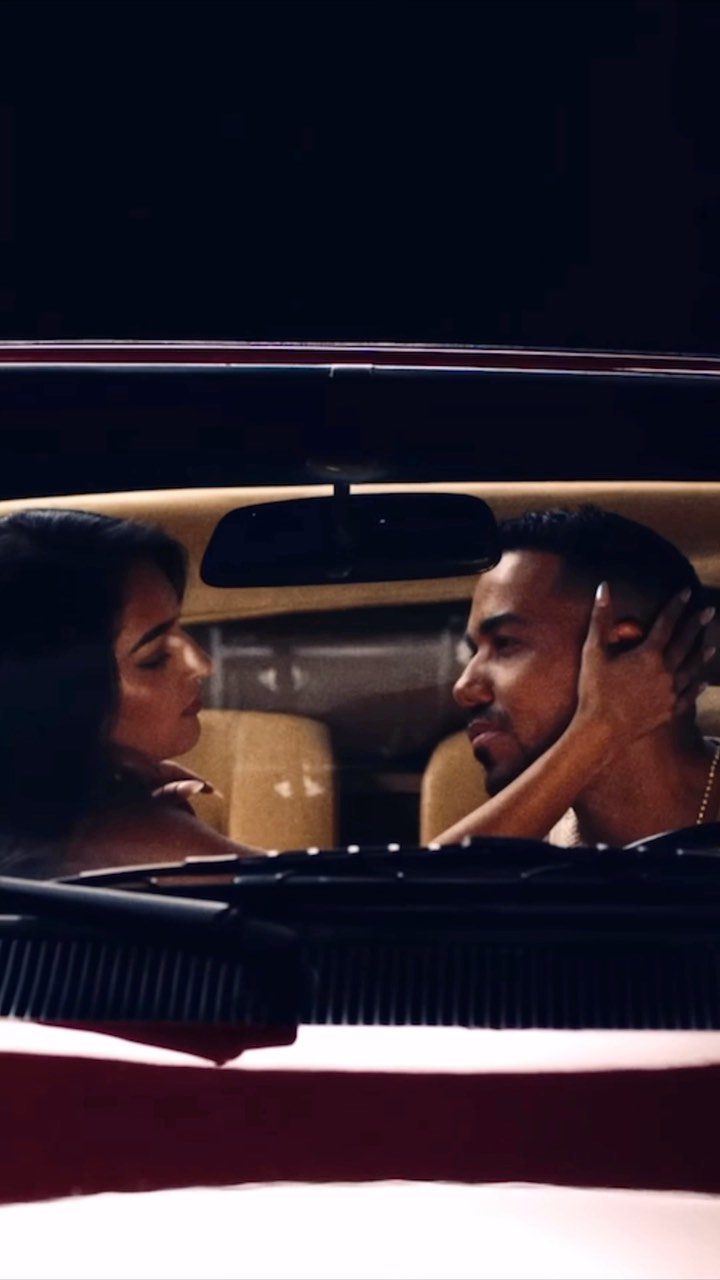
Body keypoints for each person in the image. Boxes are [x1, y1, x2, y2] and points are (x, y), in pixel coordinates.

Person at [0, 507, 262, 878]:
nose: (203, 664)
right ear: (56, 697)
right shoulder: (128, 838)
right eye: (155, 657)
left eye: (181, 629)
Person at [435, 505, 717, 848]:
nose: (464, 688)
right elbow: (422, 884)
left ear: (626, 647)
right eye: (472, 652)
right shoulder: (532, 844)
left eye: (505, 644)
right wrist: (598, 732)